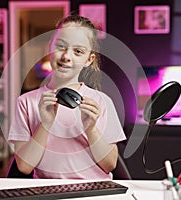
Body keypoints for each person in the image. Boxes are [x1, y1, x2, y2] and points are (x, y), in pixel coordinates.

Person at [8, 15, 126, 179]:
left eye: (78, 52)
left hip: (94, 191)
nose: (66, 56)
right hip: (47, 191)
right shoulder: (26, 102)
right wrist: (45, 124)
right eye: (60, 47)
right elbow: (24, 167)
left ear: (89, 60)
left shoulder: (102, 102)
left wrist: (91, 129)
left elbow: (109, 164)